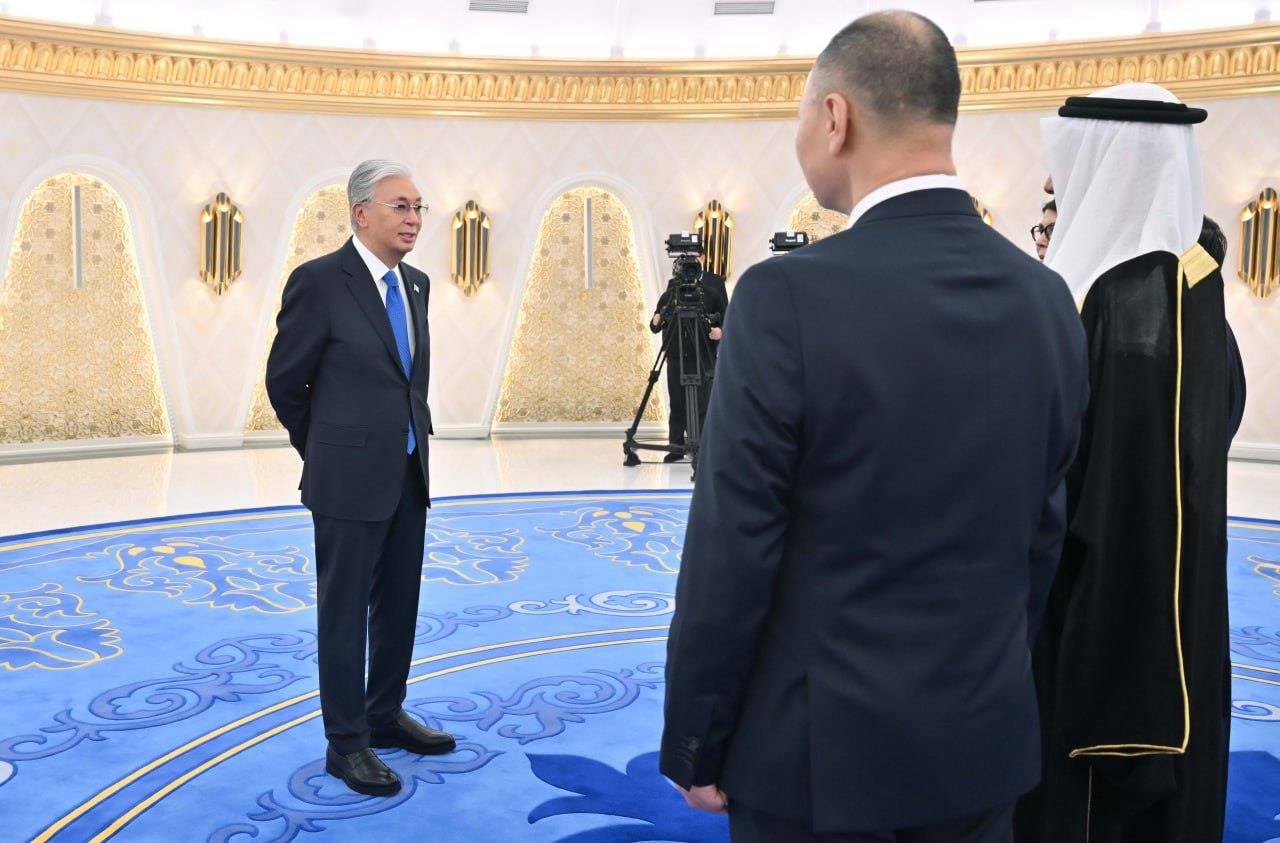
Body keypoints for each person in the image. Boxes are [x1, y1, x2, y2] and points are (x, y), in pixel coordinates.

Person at [659, 11, 1088, 842]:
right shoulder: (1048, 302)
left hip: (818, 755)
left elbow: (734, 545)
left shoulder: (783, 296)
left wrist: (696, 736)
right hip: (981, 739)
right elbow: (1041, 538)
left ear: (835, 117)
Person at [1015, 84, 1246, 843]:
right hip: (1173, 621)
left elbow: (1126, 517)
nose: (1051, 187)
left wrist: (1124, 721)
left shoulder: (1132, 305)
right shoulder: (1191, 292)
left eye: (1064, 177)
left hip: (1114, 644)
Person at [266, 159, 455, 797]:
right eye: (401, 206)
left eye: (419, 207)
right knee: (344, 613)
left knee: (400, 603)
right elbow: (285, 382)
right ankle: (346, 742)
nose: (414, 218)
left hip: (408, 471)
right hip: (347, 479)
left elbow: (407, 381)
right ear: (361, 212)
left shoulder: (417, 284)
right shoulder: (320, 282)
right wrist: (326, 450)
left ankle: (384, 714)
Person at [649, 260, 727, 462]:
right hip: (676, 356)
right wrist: (656, 319)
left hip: (703, 356)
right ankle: (676, 447)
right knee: (677, 403)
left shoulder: (712, 295)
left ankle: (703, 447)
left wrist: (721, 331)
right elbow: (655, 326)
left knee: (703, 404)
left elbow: (728, 320)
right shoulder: (670, 296)